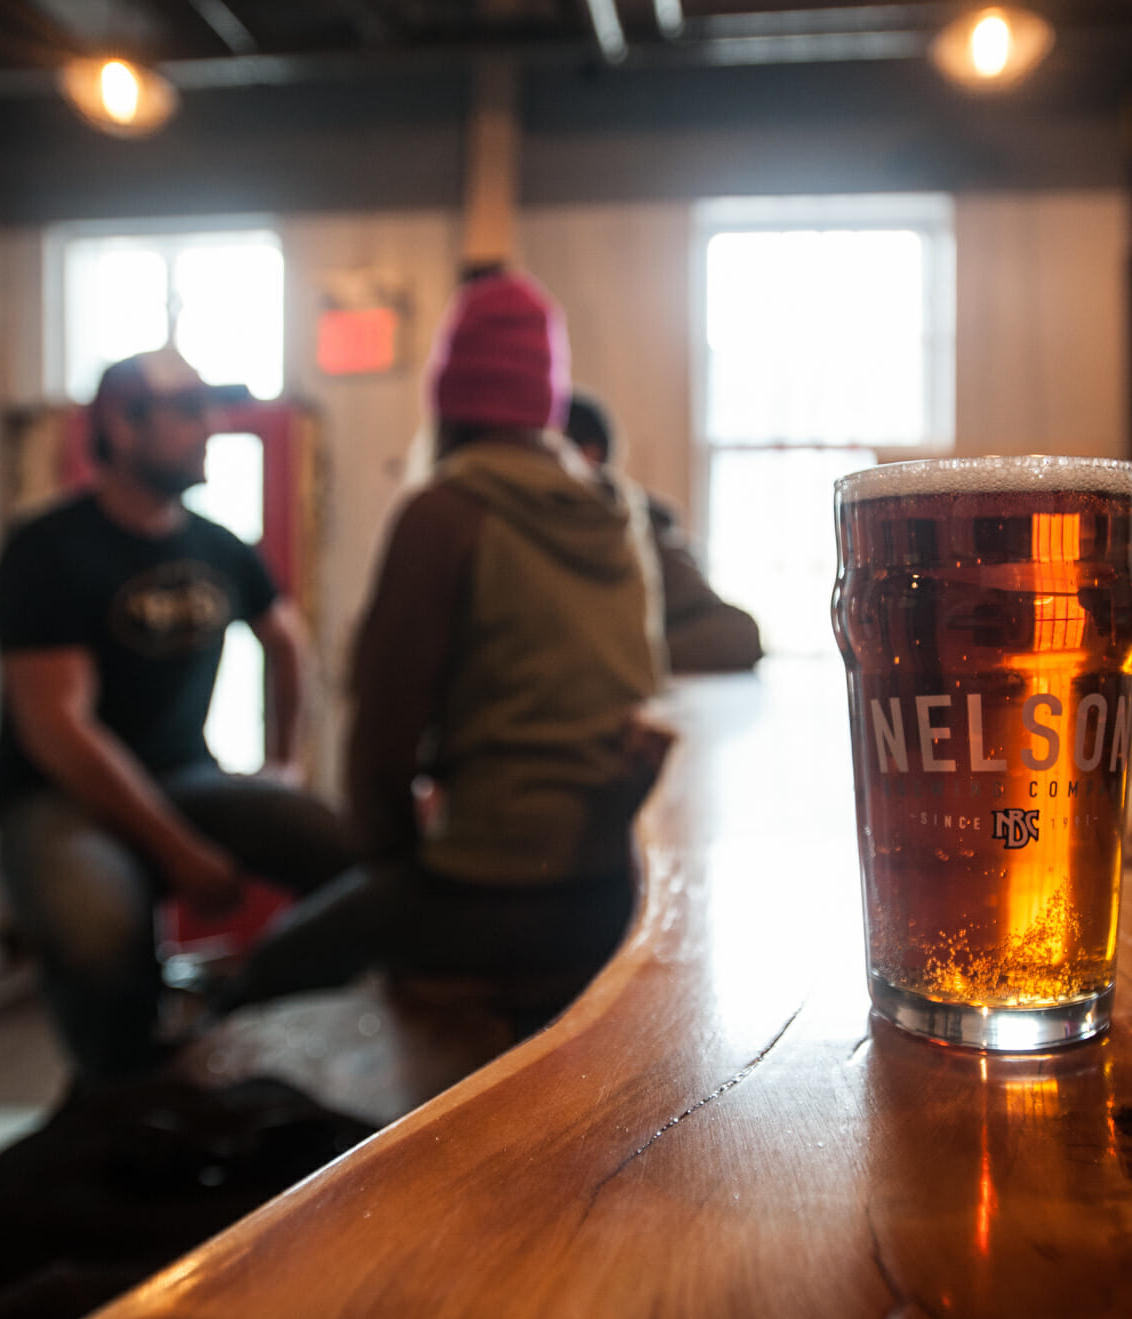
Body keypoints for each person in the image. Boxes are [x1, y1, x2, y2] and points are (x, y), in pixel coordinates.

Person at [221, 271, 669, 1017]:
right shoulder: (616, 512)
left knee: (257, 983)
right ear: (545, 399)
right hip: (610, 883)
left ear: (449, 400)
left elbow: (380, 746)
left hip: (494, 886)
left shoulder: (445, 511)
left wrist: (398, 867)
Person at [0, 348, 353, 1080]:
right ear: (122, 425)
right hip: (62, 797)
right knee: (98, 935)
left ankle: (230, 1029)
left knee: (348, 859)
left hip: (187, 775)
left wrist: (284, 767)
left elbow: (289, 647)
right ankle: (117, 1098)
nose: (212, 427)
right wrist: (178, 852)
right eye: (188, 411)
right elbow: (59, 730)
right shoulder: (47, 549)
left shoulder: (219, 546)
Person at [564, 391, 763, 674]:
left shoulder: (636, 525)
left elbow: (736, 634)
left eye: (552, 448)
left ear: (589, 456)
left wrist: (620, 663)